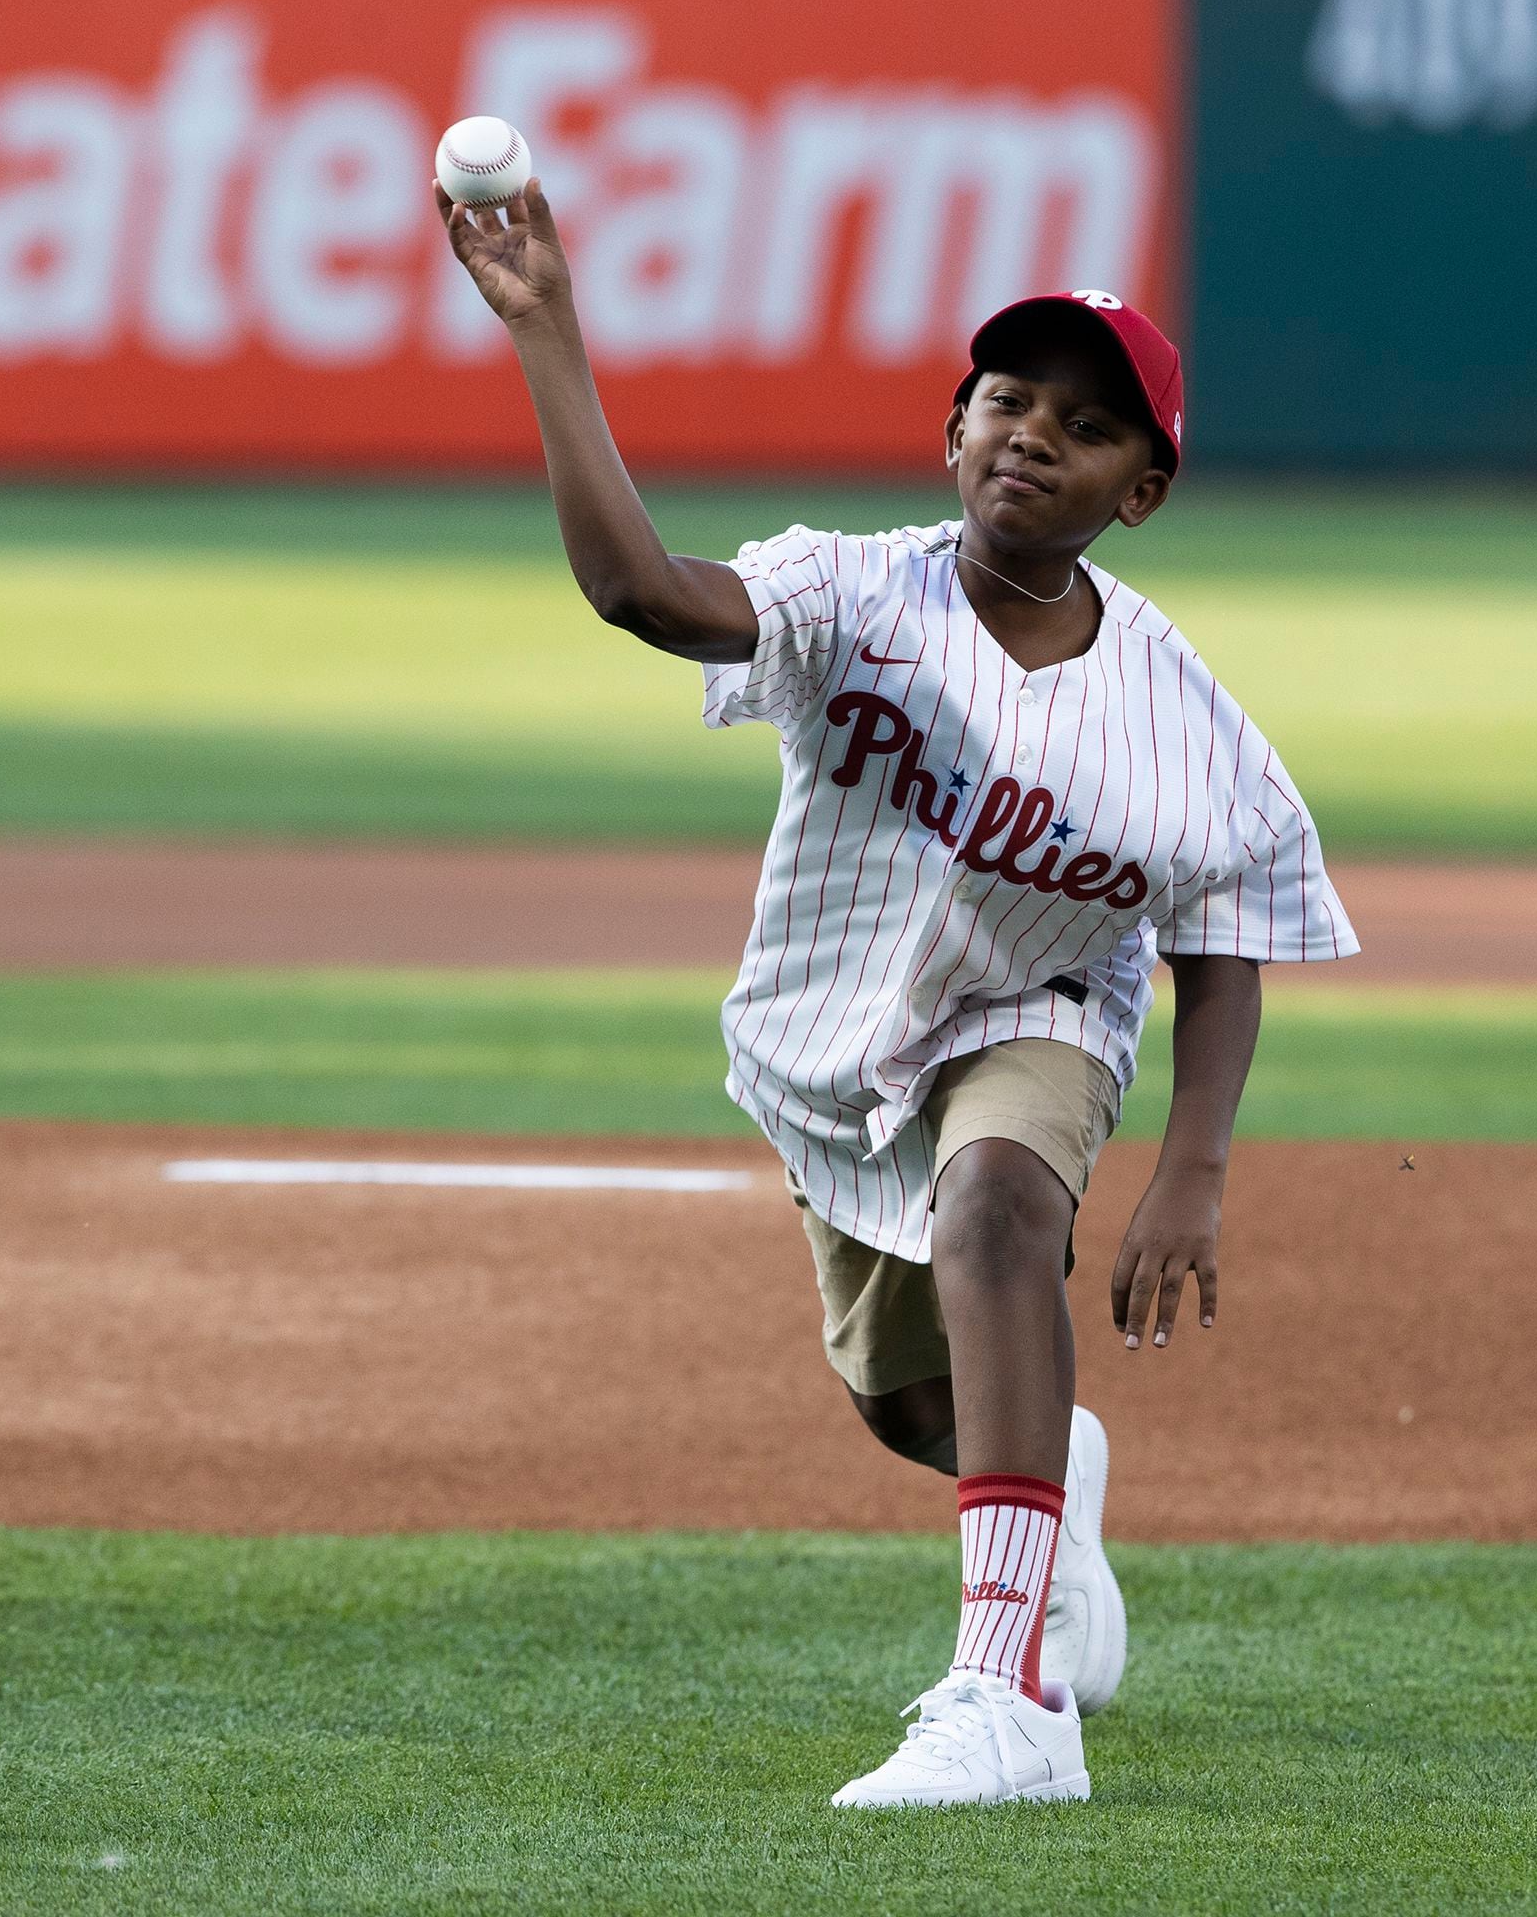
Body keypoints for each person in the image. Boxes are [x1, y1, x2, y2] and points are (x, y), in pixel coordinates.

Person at [438, 175, 1356, 1808]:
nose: (1032, 434)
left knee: (998, 1211)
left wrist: (1192, 1173)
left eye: (1085, 425)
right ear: (952, 431)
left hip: (1043, 1007)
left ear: (1140, 492)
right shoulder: (853, 593)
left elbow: (1229, 930)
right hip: (824, 1040)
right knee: (908, 1399)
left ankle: (1006, 1702)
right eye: (1007, 399)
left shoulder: (1183, 717)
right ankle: (1047, 1485)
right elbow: (643, 593)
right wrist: (549, 332)